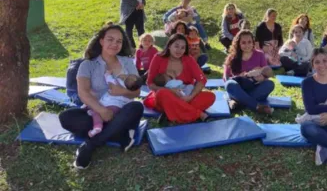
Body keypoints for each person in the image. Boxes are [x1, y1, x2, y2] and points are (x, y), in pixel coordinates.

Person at [58, 24, 144, 169]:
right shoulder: (87, 64)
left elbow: (136, 92)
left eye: (119, 41)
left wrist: (121, 91)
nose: (115, 44)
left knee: (136, 106)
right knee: (65, 117)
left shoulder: (128, 62)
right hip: (95, 112)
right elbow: (83, 92)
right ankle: (119, 131)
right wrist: (102, 110)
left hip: (122, 111)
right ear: (101, 41)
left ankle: (90, 145)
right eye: (110, 39)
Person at [143, 34, 215, 124]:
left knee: (210, 97)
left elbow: (201, 80)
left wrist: (190, 96)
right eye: (176, 46)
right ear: (169, 46)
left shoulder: (188, 59)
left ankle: (171, 113)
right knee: (163, 93)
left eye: (182, 47)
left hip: (186, 95)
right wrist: (171, 91)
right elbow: (150, 83)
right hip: (165, 96)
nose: (179, 50)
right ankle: (199, 115)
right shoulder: (158, 58)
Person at [223, 30, 275, 115]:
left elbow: (266, 74)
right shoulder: (232, 57)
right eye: (243, 42)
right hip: (238, 87)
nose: (247, 45)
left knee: (270, 84)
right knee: (229, 85)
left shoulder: (260, 55)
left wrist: (261, 78)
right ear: (238, 44)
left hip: (254, 87)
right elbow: (226, 79)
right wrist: (240, 76)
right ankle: (257, 106)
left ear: (253, 42)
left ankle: (238, 102)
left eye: (249, 42)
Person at [88, 73, 143, 137]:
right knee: (102, 112)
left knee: (95, 111)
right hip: (118, 108)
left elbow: (109, 79)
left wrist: (108, 74)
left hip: (107, 104)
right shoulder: (131, 94)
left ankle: (97, 126)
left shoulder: (118, 83)